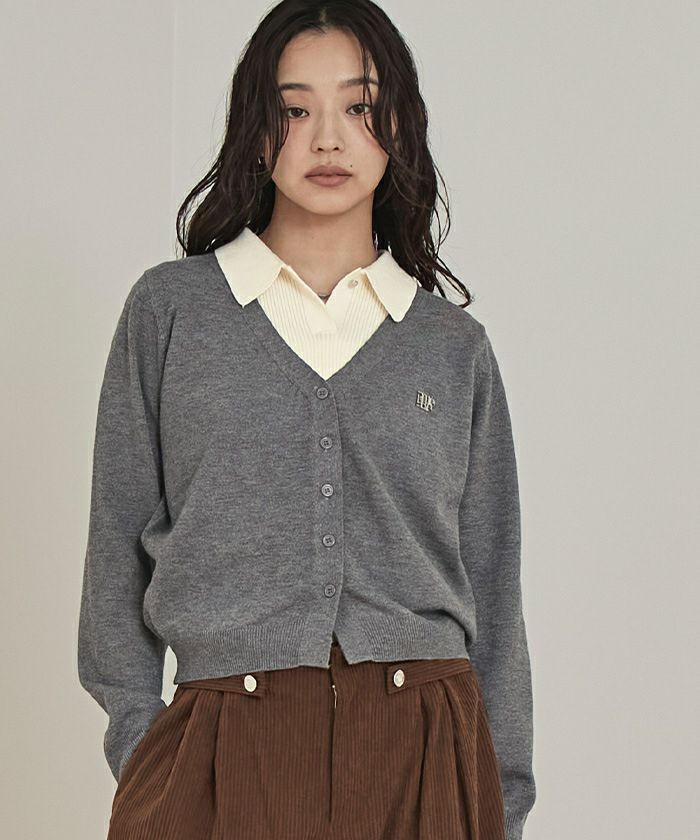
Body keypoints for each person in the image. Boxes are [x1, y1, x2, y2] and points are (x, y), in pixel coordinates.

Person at [77, 1, 536, 838]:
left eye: (359, 107)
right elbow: (116, 554)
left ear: (399, 127)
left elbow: (495, 593)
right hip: (223, 750)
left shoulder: (450, 347)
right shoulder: (172, 314)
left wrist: (496, 801)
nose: (328, 139)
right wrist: (147, 757)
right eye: (294, 110)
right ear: (257, 131)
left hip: (425, 752)